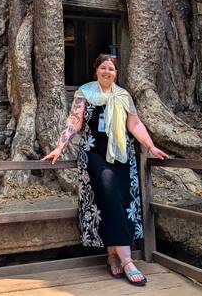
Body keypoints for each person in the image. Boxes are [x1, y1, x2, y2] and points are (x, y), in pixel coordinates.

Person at [42, 54, 169, 286]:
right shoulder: (85, 93)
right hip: (94, 154)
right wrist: (59, 147)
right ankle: (129, 260)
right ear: (96, 71)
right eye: (103, 67)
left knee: (117, 202)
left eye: (111, 68)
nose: (107, 71)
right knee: (109, 194)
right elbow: (74, 120)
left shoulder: (123, 96)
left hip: (121, 155)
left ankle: (112, 256)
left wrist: (151, 146)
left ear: (116, 73)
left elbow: (134, 123)